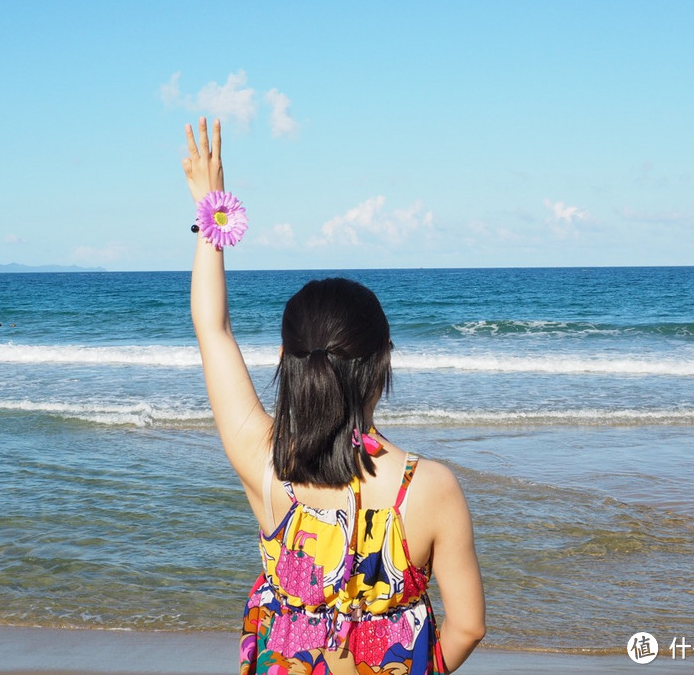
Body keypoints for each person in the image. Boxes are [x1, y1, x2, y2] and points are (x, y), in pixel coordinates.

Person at [183, 117, 485, 675]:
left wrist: (213, 211)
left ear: (285, 362)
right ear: (381, 363)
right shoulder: (429, 488)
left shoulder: (268, 465)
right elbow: (468, 626)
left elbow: (213, 329)